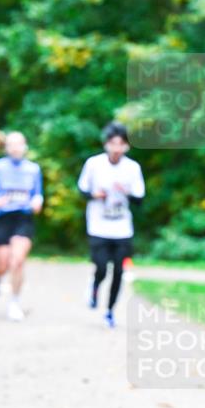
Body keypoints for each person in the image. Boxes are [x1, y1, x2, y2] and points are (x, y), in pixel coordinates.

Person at [77, 122, 146, 328]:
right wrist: (95, 195)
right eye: (113, 143)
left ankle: (109, 311)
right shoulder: (94, 164)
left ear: (126, 146)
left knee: (118, 271)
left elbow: (140, 198)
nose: (116, 148)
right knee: (100, 267)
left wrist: (126, 192)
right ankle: (94, 286)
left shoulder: (132, 168)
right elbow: (82, 190)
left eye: (121, 144)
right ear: (106, 144)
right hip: (98, 225)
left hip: (122, 227)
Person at [0, 131, 43, 321]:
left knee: (18, 261)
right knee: (3, 263)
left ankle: (14, 302)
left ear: (25, 146)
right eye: (11, 144)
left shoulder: (33, 169)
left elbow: (38, 193)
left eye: (19, 144)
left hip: (23, 217)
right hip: (0, 218)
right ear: (6, 148)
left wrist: (37, 202)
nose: (15, 148)